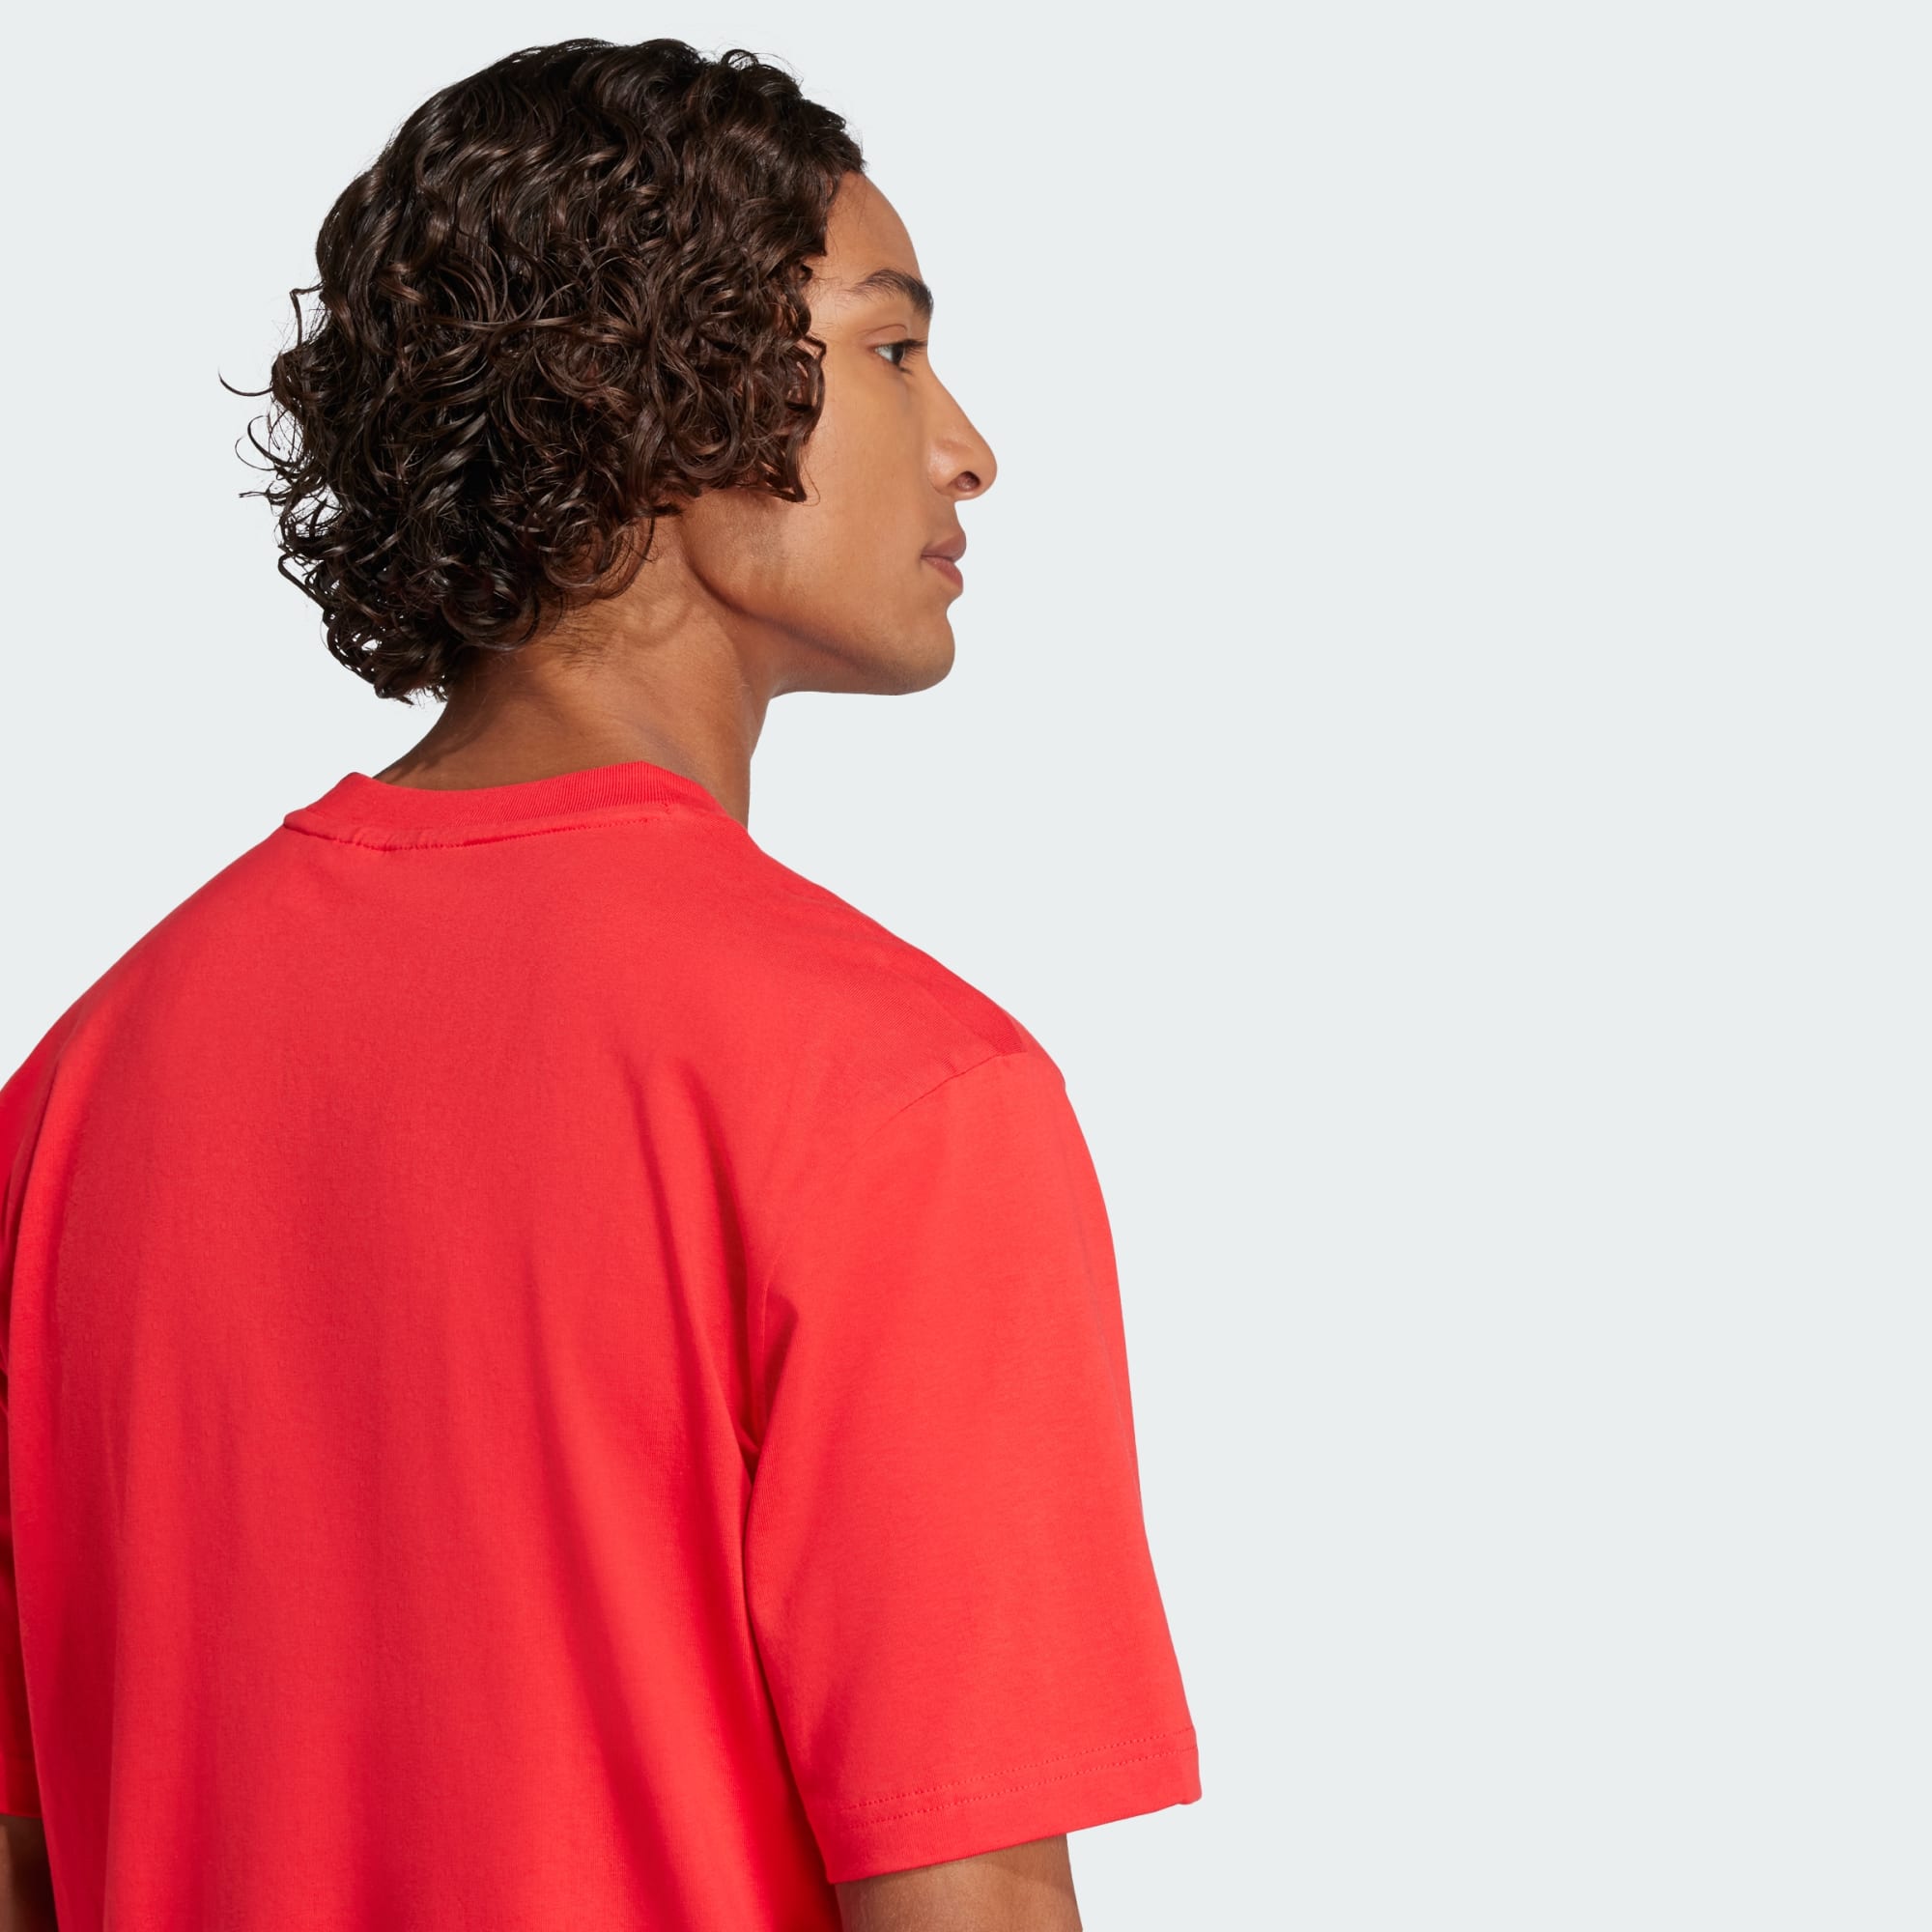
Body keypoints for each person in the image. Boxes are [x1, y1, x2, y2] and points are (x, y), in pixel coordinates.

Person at [0, 37, 1200, 1931]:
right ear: (659, 398)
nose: (966, 444)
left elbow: (31, 1858)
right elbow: (965, 1901)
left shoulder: (79, 1093)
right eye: (893, 349)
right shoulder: (897, 1100)